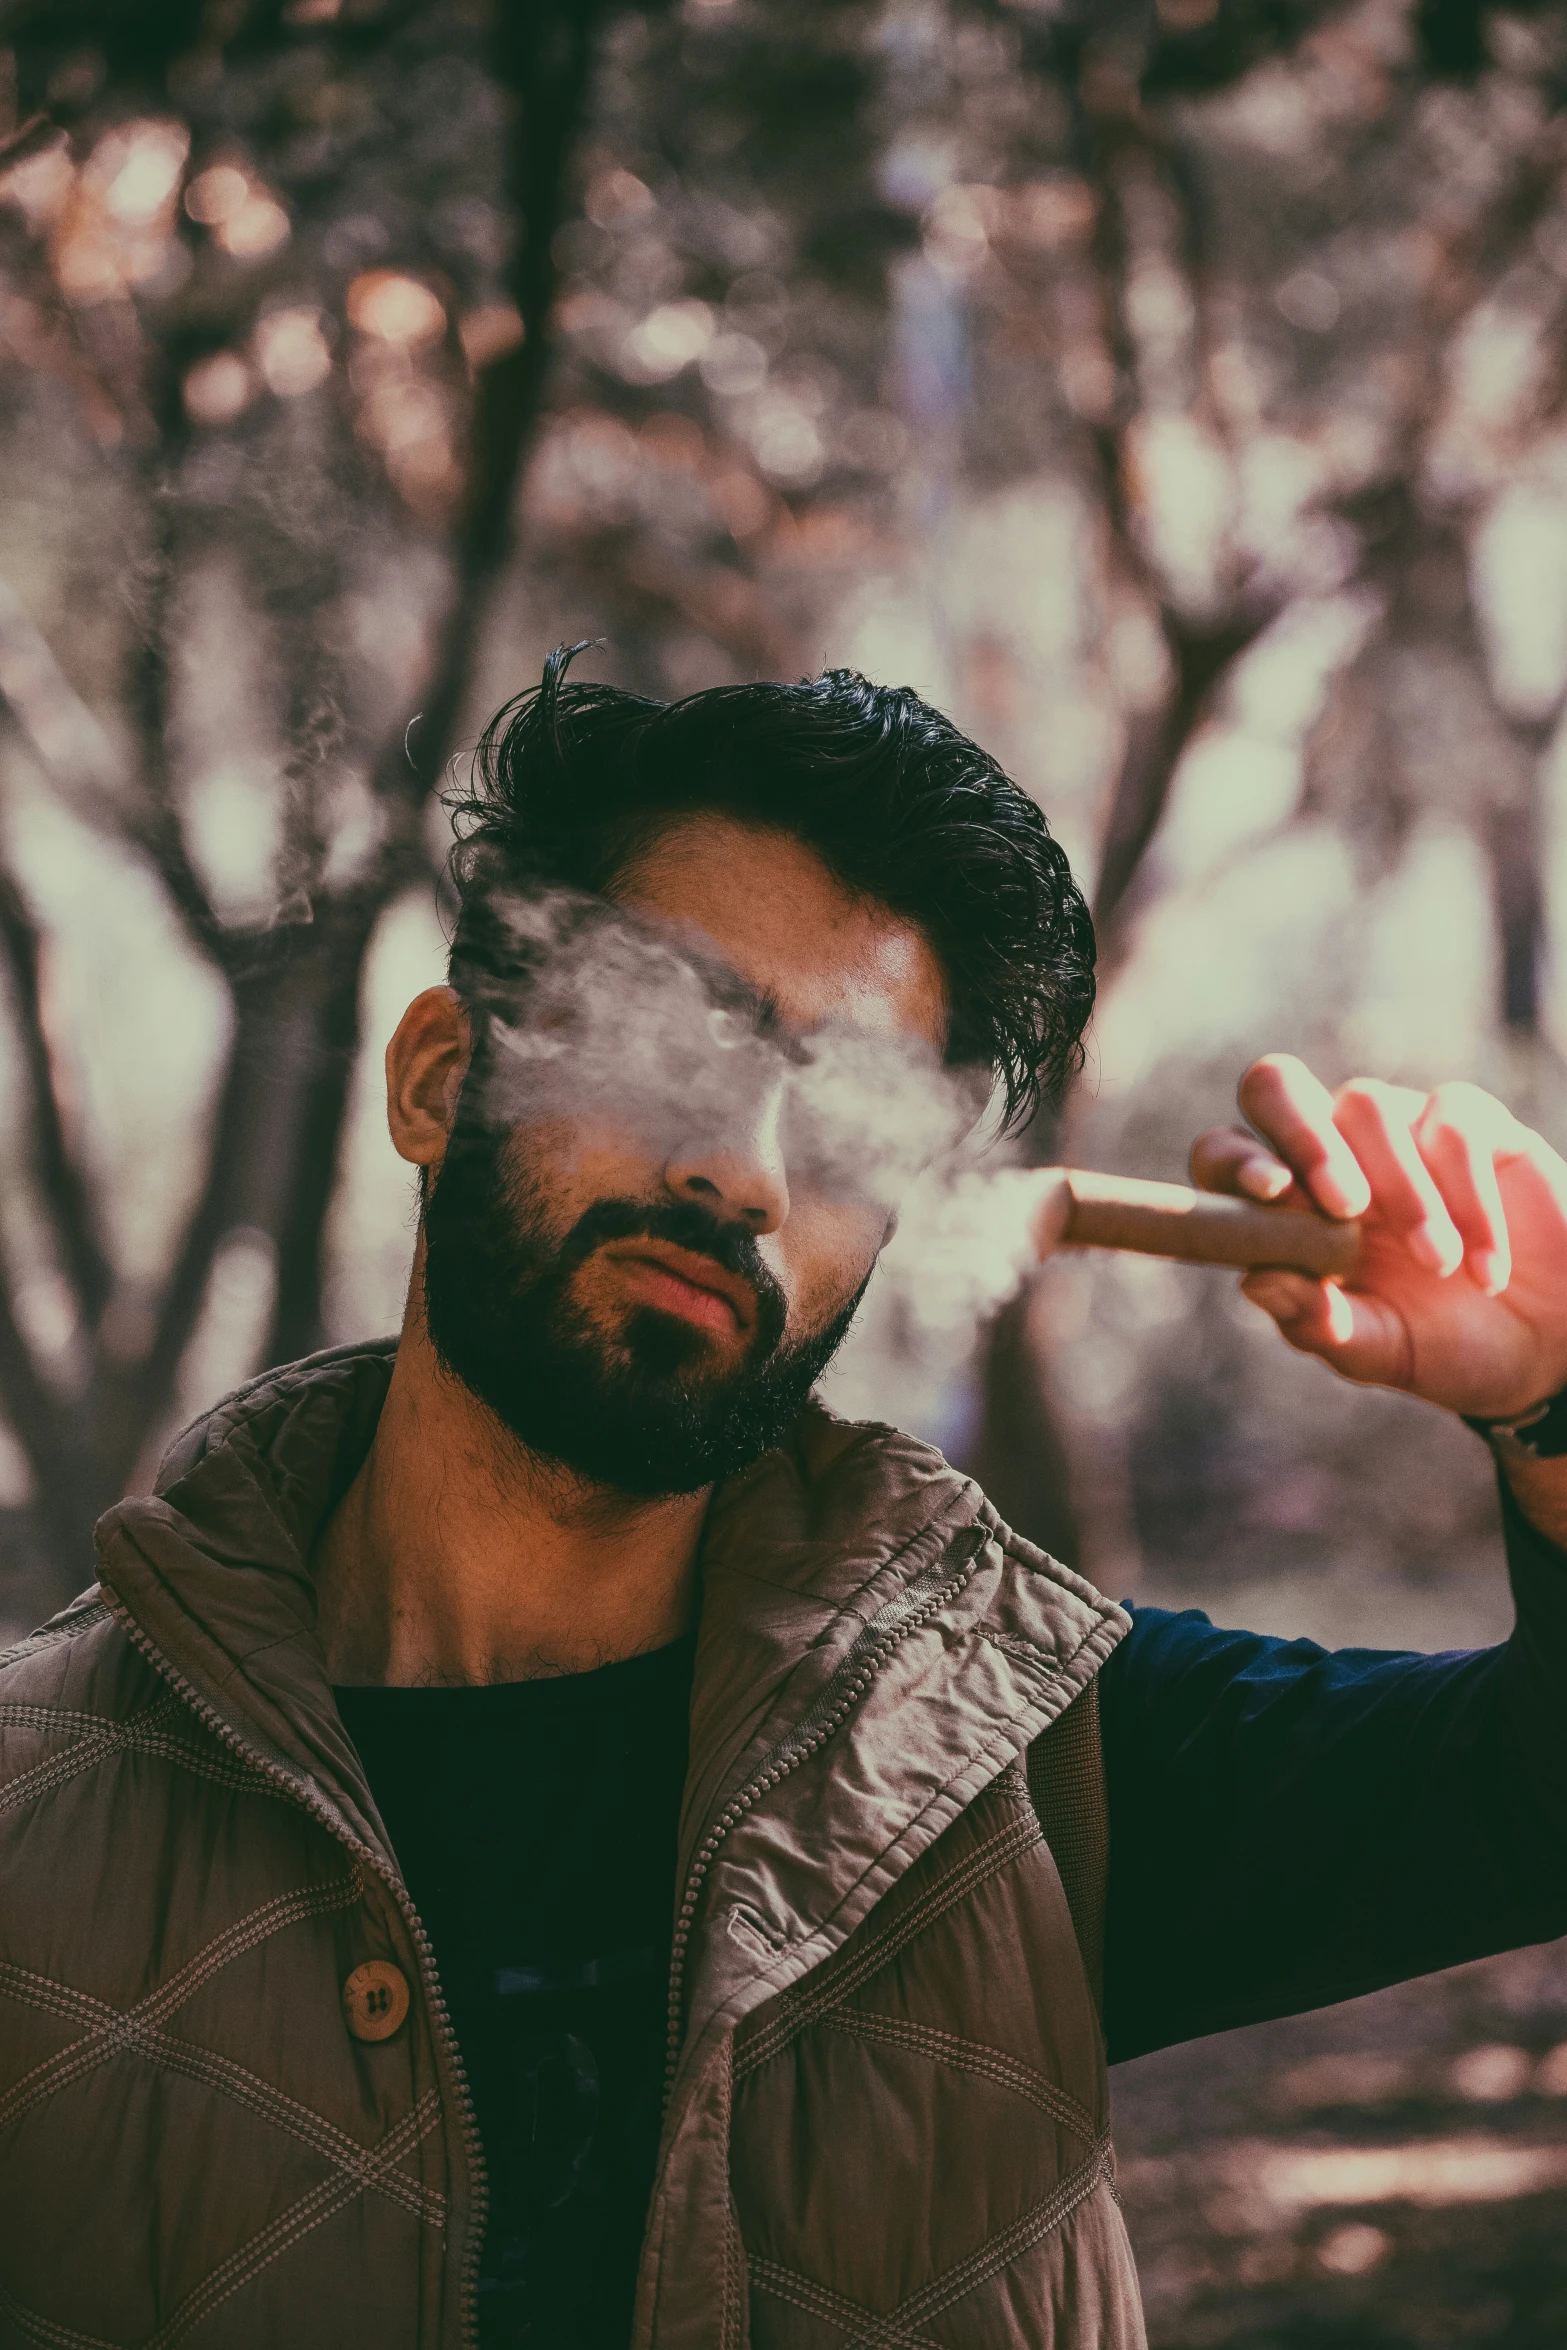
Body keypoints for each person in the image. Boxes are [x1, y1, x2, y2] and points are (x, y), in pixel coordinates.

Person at [0, 653, 1564, 2350]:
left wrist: (1552, 1395)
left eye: (841, 1115)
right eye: (676, 1037)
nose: (741, 1169)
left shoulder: (1013, 1761)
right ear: (441, 1076)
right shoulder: (34, 1820)